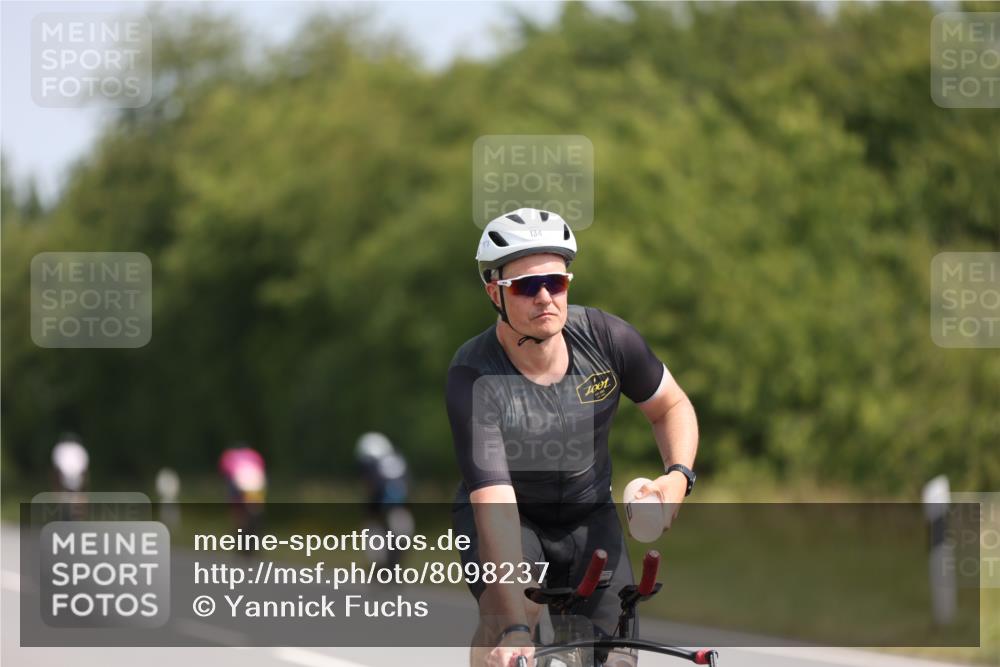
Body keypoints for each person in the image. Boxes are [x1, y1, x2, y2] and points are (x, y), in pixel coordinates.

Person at [446, 208, 700, 667]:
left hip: (589, 513)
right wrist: (516, 629)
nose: (545, 297)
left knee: (618, 655)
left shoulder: (608, 338)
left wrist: (677, 477)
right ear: (494, 292)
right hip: (511, 516)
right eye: (526, 286)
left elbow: (672, 407)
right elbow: (497, 511)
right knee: (509, 625)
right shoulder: (473, 375)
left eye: (556, 283)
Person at [355, 432, 413, 568]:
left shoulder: (371, 465)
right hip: (401, 507)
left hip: (384, 506)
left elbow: (373, 489)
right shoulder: (398, 460)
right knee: (399, 535)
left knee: (372, 530)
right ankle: (392, 567)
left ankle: (381, 567)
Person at [218, 445, 267, 551]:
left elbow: (225, 472)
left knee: (238, 513)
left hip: (239, 482)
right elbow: (262, 468)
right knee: (256, 511)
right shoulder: (254, 454)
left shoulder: (230, 455)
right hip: (256, 482)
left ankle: (241, 533)